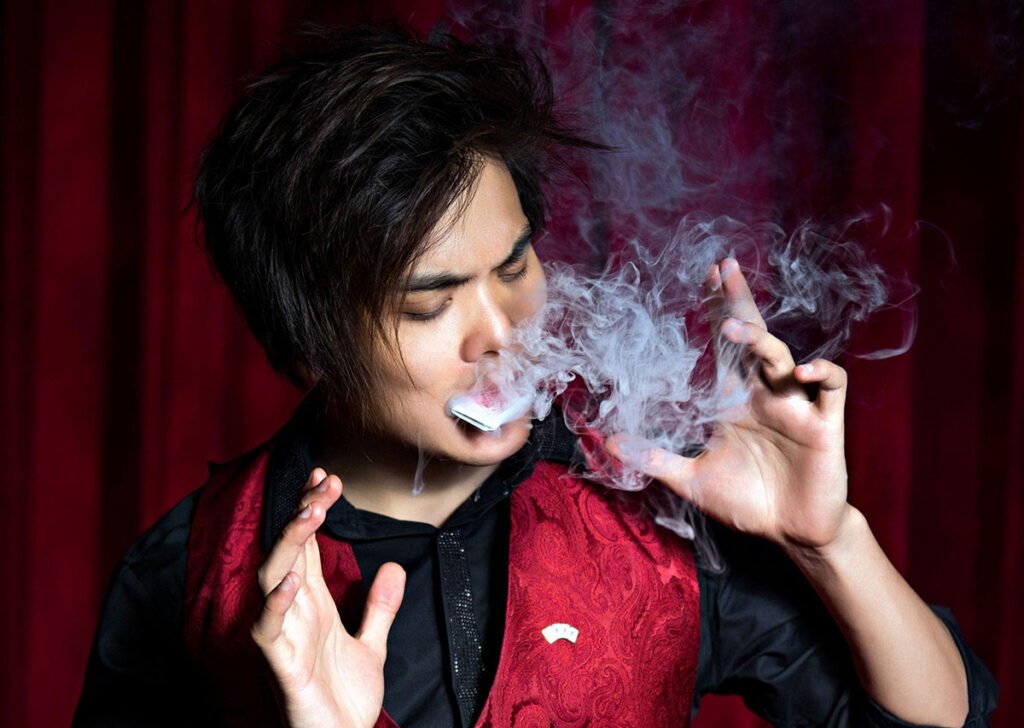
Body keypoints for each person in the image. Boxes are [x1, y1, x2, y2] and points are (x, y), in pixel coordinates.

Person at [74, 23, 997, 728]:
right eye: (430, 304)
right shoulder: (188, 575)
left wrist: (829, 542)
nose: (504, 333)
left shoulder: (651, 504)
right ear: (309, 343)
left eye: (515, 266)